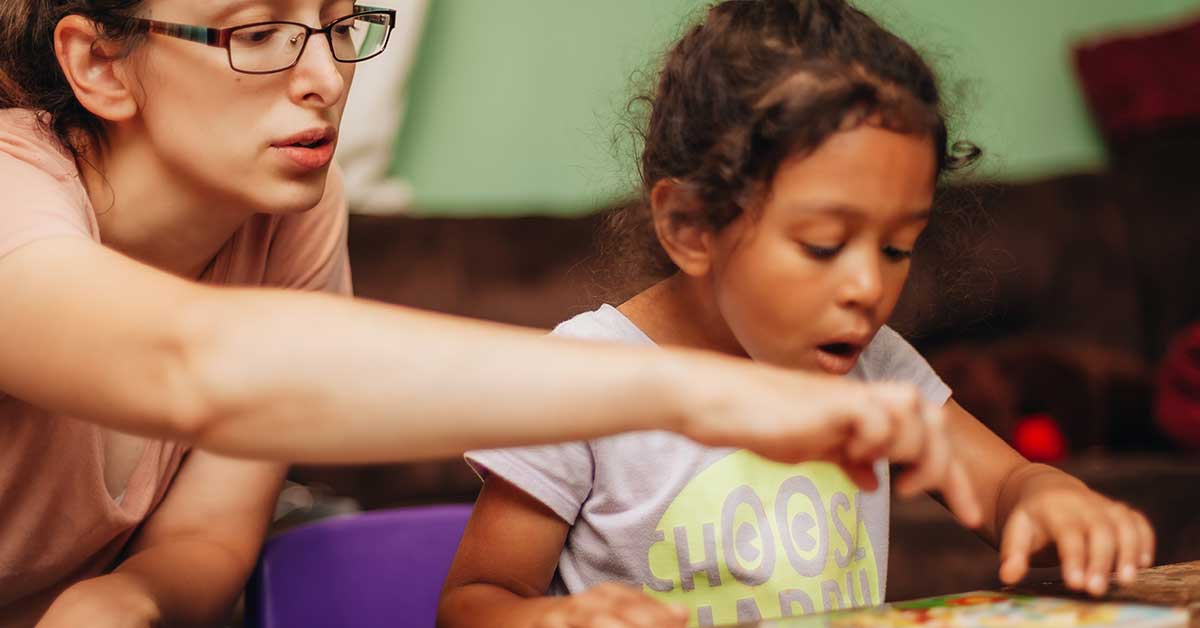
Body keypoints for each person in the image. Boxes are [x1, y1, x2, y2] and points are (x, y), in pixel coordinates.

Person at [0, 1, 978, 625]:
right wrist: (700, 388)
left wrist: (121, 600)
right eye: (259, 33)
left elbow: (205, 541)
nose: (328, 77)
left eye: (340, 24)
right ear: (98, 64)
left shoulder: (291, 203)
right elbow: (190, 365)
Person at [437, 1, 1158, 626]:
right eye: (824, 246)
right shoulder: (584, 376)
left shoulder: (875, 366)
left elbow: (1003, 484)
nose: (869, 287)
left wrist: (1048, 494)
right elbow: (475, 600)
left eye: (900, 248)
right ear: (691, 226)